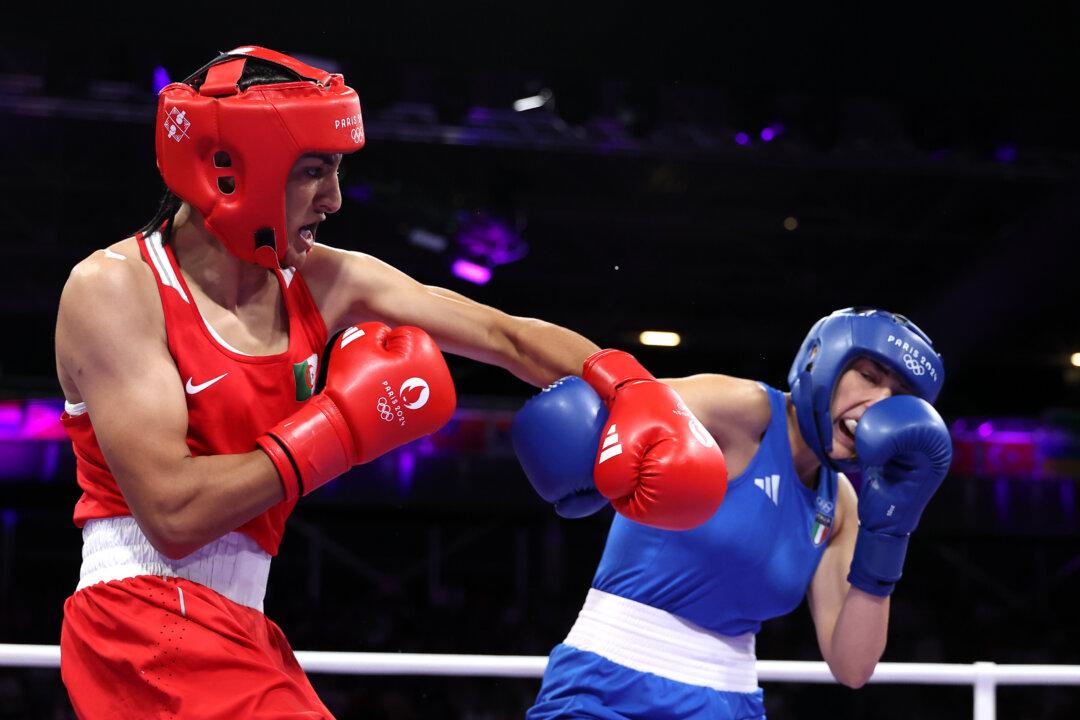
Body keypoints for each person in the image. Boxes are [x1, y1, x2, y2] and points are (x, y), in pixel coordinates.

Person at [53, 46, 727, 718]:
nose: (334, 199)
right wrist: (338, 430)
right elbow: (173, 517)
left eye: (336, 171)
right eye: (314, 171)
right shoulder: (116, 290)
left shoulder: (323, 280)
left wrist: (629, 387)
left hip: (239, 625)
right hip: (143, 622)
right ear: (232, 170)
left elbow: (504, 335)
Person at [513, 307, 953, 719]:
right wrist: (493, 333)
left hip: (730, 700)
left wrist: (891, 532)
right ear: (823, 361)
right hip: (608, 682)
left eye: (898, 396)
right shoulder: (743, 411)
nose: (880, 403)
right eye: (869, 376)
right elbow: (610, 387)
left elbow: (852, 666)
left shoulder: (842, 506)